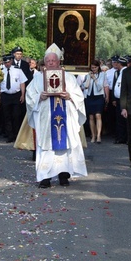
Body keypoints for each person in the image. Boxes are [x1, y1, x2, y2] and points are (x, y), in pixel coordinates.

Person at [26, 45, 87, 188]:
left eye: (54, 60)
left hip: (66, 117)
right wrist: (39, 97)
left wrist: (69, 96)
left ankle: (64, 175)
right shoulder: (37, 79)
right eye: (48, 61)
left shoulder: (69, 78)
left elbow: (79, 96)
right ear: (44, 63)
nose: (51, 63)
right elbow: (29, 97)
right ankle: (45, 177)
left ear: (59, 61)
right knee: (47, 147)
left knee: (65, 146)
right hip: (46, 120)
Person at [0, 55, 27, 143]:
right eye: (5, 62)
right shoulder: (0, 72)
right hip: (5, 95)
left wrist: (22, 94)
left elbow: (22, 83)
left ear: (11, 61)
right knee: (6, 116)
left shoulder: (18, 70)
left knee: (16, 115)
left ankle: (16, 134)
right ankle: (10, 135)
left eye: (8, 62)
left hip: (16, 95)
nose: (7, 64)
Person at [81, 59, 109, 143]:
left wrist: (95, 79)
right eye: (92, 67)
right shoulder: (87, 75)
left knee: (98, 115)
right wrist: (89, 78)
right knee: (91, 117)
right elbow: (84, 86)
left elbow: (100, 87)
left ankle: (99, 136)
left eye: (95, 67)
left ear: (98, 67)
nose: (93, 69)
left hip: (99, 97)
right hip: (90, 97)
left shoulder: (102, 75)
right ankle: (93, 135)